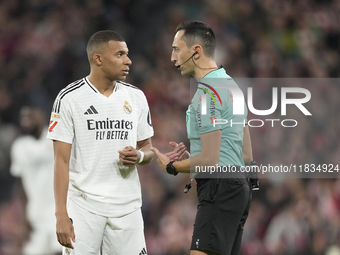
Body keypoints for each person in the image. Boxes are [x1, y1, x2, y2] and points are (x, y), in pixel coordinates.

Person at [151, 20, 255, 255]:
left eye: (176, 49)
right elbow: (245, 155)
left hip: (219, 188)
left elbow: (210, 159)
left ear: (195, 51)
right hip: (238, 189)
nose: (172, 58)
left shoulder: (207, 94)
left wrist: (172, 167)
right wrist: (195, 157)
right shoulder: (231, 87)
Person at [47, 30, 154, 255]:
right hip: (84, 206)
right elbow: (61, 161)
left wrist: (140, 156)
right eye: (120, 54)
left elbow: (148, 148)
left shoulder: (136, 97)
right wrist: (61, 215)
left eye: (127, 54)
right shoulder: (69, 99)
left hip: (127, 207)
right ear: (98, 59)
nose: (128, 60)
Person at [10, 105, 61, 255]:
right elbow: (20, 184)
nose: (26, 120)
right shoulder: (19, 147)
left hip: (59, 209)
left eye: (30, 116)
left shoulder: (56, 139)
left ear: (41, 116)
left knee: (61, 249)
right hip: (36, 213)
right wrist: (24, 215)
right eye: (23, 117)